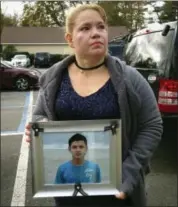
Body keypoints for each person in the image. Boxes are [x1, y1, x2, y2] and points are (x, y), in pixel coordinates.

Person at [25, 3, 163, 207]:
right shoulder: (53, 78)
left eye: (101, 27)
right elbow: (38, 115)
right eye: (85, 28)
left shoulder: (130, 79)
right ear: (70, 39)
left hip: (117, 192)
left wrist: (129, 171)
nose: (96, 33)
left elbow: (152, 125)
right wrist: (42, 130)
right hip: (68, 194)